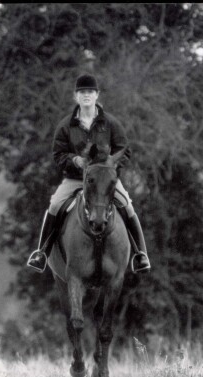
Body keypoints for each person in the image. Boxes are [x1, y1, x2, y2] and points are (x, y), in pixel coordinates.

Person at [26, 73, 151, 274]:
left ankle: (141, 254)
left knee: (127, 205)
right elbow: (58, 154)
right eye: (82, 92)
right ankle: (41, 253)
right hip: (75, 179)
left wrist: (110, 168)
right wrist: (74, 160)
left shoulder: (110, 123)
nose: (86, 95)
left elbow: (124, 150)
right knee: (55, 205)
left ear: (96, 95)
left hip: (104, 180)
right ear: (76, 96)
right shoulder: (66, 125)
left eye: (90, 92)